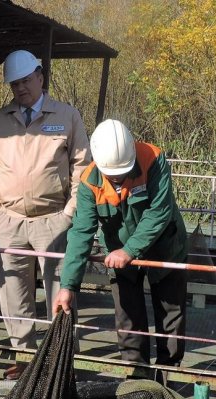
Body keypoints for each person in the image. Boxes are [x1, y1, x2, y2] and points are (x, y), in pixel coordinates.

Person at [0, 50, 91, 380]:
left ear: (40, 77)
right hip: (9, 220)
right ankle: (24, 356)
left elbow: (82, 166)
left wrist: (71, 212)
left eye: (26, 81)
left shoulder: (67, 116)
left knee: (61, 289)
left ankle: (61, 358)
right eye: (14, 84)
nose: (21, 88)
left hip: (54, 218)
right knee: (13, 291)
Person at [54, 119, 188, 379]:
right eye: (111, 174)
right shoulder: (89, 181)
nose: (117, 177)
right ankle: (136, 377)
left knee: (171, 313)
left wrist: (130, 250)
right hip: (118, 254)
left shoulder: (153, 159)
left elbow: (159, 212)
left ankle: (168, 375)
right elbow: (81, 231)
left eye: (122, 172)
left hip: (165, 248)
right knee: (127, 314)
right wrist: (68, 285)